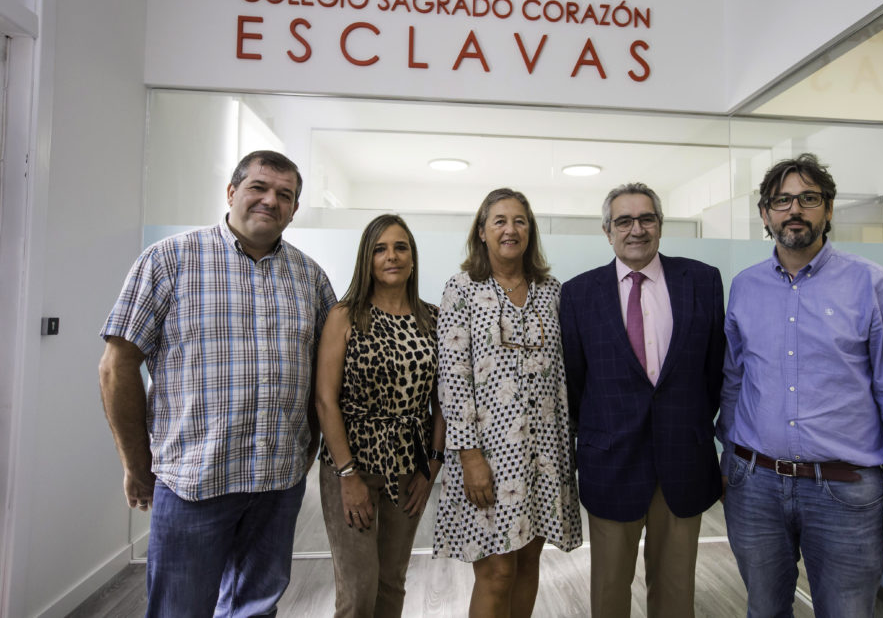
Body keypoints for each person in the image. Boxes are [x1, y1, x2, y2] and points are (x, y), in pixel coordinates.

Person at [98, 150, 336, 617]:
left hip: (278, 484)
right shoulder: (168, 260)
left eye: (284, 195)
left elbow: (322, 376)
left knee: (256, 609)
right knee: (179, 609)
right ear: (231, 192)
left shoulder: (310, 278)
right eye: (258, 188)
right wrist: (136, 464)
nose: (270, 200)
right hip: (194, 484)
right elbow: (116, 366)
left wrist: (307, 450)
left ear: (294, 209)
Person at [718, 153, 883, 617]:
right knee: (764, 610)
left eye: (809, 199)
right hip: (755, 487)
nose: (794, 210)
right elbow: (734, 383)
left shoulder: (871, 283)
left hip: (845, 493)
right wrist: (728, 462)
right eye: (781, 201)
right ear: (765, 214)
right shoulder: (745, 287)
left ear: (829, 209)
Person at [558, 182, 724, 618]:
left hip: (683, 461)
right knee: (609, 592)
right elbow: (575, 382)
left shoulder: (702, 281)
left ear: (660, 225)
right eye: (624, 221)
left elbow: (714, 372)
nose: (637, 229)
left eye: (646, 218)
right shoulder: (578, 294)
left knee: (676, 594)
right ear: (607, 231)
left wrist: (686, 423)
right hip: (611, 463)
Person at [433, 188, 582, 617]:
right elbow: (453, 380)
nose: (510, 229)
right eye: (499, 221)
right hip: (488, 456)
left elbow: (568, 371)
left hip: (545, 453)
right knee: (497, 572)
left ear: (530, 231)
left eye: (520, 221)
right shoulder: (461, 289)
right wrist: (469, 457)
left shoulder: (552, 291)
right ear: (481, 232)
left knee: (529, 561)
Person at [314, 214, 445, 618]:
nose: (392, 256)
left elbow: (443, 403)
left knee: (391, 583)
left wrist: (432, 467)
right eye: (380, 249)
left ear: (413, 258)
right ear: (366, 259)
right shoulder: (345, 315)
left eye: (401, 247)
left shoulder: (433, 318)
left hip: (410, 467)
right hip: (352, 464)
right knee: (358, 590)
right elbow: (325, 400)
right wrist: (347, 475)